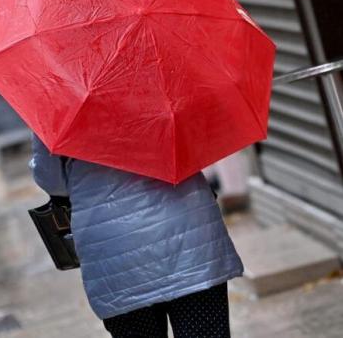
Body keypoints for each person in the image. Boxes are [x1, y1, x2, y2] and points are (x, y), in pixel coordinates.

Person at [30, 134, 243, 337]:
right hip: (190, 238)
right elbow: (203, 142)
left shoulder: (60, 103)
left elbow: (51, 181)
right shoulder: (166, 95)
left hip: (116, 251)